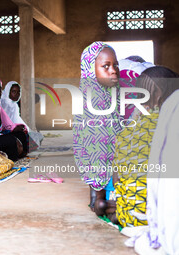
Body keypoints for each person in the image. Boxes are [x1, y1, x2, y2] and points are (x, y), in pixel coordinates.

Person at [113, 66, 179, 228]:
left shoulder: (126, 132)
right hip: (162, 219)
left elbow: (116, 180)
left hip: (128, 217)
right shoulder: (171, 125)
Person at [130, 68, 179, 255]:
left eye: (146, 95)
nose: (144, 103)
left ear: (158, 94)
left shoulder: (170, 110)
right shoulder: (161, 112)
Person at [72, 41, 122, 216]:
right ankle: (97, 192)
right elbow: (88, 149)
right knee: (97, 145)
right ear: (90, 71)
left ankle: (104, 194)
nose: (113, 70)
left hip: (114, 165)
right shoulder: (88, 101)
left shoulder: (115, 94)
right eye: (106, 66)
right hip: (99, 167)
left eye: (115, 65)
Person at [0, 81, 44, 149]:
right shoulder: (3, 103)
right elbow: (3, 122)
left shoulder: (14, 105)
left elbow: (17, 119)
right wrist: (13, 127)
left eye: (18, 92)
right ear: (8, 91)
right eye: (14, 91)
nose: (17, 94)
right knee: (24, 137)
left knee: (36, 136)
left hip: (13, 128)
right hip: (5, 130)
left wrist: (25, 128)